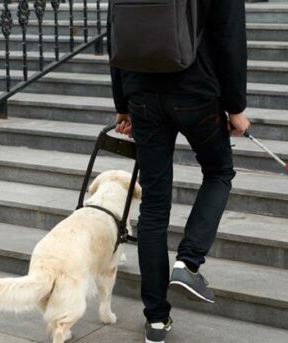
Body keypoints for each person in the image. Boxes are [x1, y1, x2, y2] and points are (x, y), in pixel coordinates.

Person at [108, 0, 250, 342]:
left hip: (140, 90)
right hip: (196, 89)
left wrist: (122, 104)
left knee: (154, 205)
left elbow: (115, 30)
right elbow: (230, 36)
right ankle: (187, 264)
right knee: (218, 172)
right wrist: (236, 107)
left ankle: (156, 321)